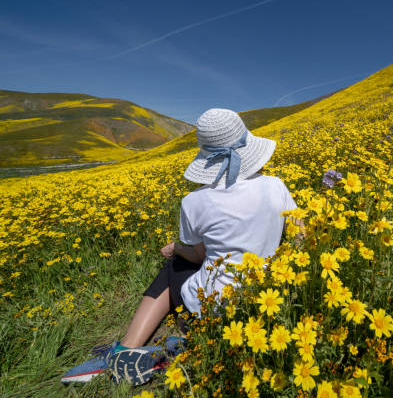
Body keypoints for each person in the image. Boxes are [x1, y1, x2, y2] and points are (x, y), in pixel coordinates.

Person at [62, 108, 297, 385]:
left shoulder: (194, 201)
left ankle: (126, 350)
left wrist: (175, 248)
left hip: (215, 308)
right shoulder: (276, 185)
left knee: (175, 265)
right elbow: (300, 234)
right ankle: (183, 344)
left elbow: (199, 257)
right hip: (267, 300)